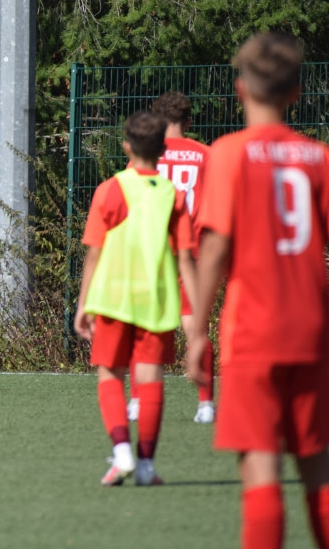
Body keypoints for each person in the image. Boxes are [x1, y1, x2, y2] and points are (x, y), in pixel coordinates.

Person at [187, 33, 329, 549]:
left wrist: (197, 330)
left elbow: (216, 246)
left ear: (240, 88)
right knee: (318, 470)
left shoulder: (229, 154)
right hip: (313, 330)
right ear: (296, 92)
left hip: (254, 331)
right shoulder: (319, 157)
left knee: (262, 470)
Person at [74, 111, 197, 486]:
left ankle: (122, 452)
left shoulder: (110, 190)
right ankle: (145, 465)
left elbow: (93, 253)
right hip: (155, 301)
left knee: (110, 373)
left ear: (126, 146)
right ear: (163, 150)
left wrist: (83, 304)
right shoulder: (172, 195)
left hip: (112, 298)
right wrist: (197, 312)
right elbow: (185, 258)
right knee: (150, 379)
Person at [127, 91, 215, 424]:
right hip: (193, 252)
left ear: (157, 121)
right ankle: (205, 404)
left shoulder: (147, 155)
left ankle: (138, 400)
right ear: (188, 121)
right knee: (195, 328)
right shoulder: (205, 155)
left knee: (145, 329)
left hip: (153, 251)